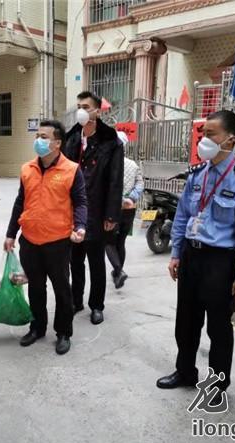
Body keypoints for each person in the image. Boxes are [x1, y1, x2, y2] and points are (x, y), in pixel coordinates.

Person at [156, 110, 235, 406]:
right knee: (186, 321)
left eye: (211, 134)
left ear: (231, 140)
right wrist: (176, 252)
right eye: (203, 134)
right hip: (191, 257)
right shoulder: (196, 173)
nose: (204, 140)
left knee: (218, 327)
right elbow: (182, 216)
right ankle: (185, 372)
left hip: (220, 262)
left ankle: (217, 384)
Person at [5, 120, 87, 355]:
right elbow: (20, 202)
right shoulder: (27, 169)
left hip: (58, 241)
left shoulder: (71, 170)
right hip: (30, 240)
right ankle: (37, 327)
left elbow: (81, 202)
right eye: (37, 136)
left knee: (62, 289)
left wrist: (80, 226)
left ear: (57, 143)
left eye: (44, 137)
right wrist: (11, 233)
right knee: (35, 288)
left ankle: (63, 332)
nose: (38, 141)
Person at [64, 91, 124, 325]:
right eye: (79, 106)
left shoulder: (111, 142)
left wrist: (111, 214)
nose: (81, 110)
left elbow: (115, 180)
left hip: (98, 211)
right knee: (75, 260)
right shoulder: (71, 138)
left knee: (96, 262)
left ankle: (97, 305)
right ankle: (76, 300)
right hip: (72, 212)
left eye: (86, 107)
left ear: (97, 111)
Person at [105, 131, 144, 289]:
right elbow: (140, 184)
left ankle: (118, 271)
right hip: (129, 209)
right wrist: (131, 198)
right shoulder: (133, 164)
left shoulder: (107, 164)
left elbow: (107, 187)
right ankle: (117, 274)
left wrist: (120, 200)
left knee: (108, 242)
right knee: (121, 241)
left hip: (112, 209)